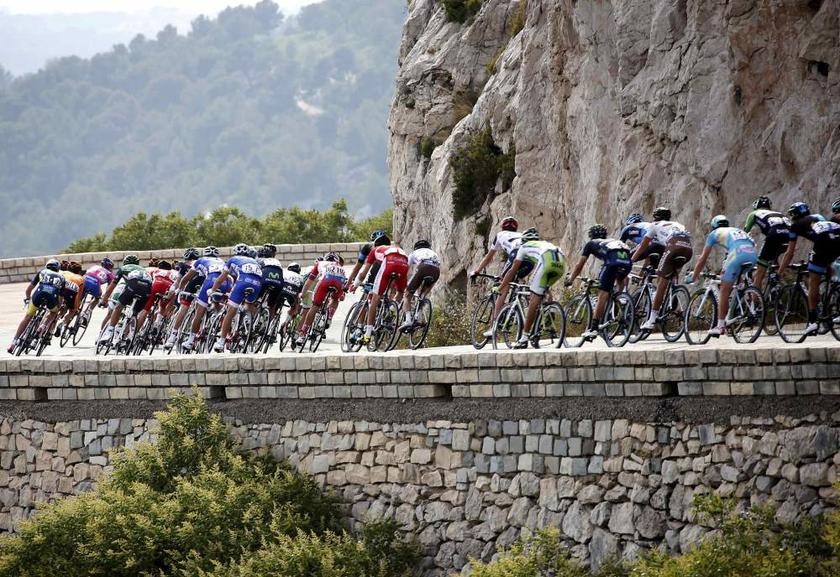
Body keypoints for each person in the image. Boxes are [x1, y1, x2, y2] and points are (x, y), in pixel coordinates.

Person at [686, 215, 758, 337]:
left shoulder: (714, 234)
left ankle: (720, 326)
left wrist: (694, 276)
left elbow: (703, 258)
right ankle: (742, 296)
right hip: (752, 255)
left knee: (724, 288)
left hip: (738, 254)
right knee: (734, 277)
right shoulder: (735, 230)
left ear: (713, 226)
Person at [496, 228, 566, 348]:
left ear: (523, 240)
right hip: (561, 262)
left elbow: (512, 271)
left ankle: (524, 337)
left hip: (546, 260)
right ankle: (547, 315)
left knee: (534, 297)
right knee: (543, 290)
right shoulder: (543, 243)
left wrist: (500, 287)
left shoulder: (523, 247)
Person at [778, 202, 840, 335]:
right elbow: (825, 232)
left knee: (814, 279)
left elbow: (790, 252)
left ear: (794, 216)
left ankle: (812, 322)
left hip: (823, 242)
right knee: (829, 267)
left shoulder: (794, 226)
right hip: (836, 235)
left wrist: (780, 270)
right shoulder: (818, 216)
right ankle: (835, 293)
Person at [468, 216, 534, 337]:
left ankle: (494, 325)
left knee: (503, 286)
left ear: (503, 226)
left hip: (517, 254)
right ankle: (530, 308)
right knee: (518, 282)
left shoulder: (500, 234)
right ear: (516, 228)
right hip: (531, 258)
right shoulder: (519, 235)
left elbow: (489, 256)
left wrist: (477, 271)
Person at [632, 207, 693, 331]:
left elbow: (643, 246)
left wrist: (631, 260)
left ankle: (652, 319)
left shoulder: (654, 225)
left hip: (673, 247)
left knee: (661, 283)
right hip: (688, 249)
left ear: (655, 217)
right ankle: (674, 296)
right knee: (673, 273)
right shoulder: (678, 224)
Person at [566, 225, 632, 339]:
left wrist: (571, 279)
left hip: (612, 262)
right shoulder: (612, 241)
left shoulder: (591, 244)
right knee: (619, 280)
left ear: (591, 236)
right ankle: (619, 299)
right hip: (627, 262)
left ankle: (594, 328)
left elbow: (579, 266)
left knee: (603, 293)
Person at [353, 233, 409, 345]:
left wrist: (355, 284)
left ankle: (367, 335)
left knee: (375, 299)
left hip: (389, 263)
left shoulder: (374, 250)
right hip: (403, 262)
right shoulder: (395, 248)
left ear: (374, 245)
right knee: (401, 292)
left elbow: (363, 273)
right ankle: (392, 311)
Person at [208, 243, 263, 352]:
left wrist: (212, 290)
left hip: (242, 282)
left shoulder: (232, 259)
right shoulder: (255, 261)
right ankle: (249, 325)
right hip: (257, 284)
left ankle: (221, 341)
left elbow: (220, 279)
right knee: (249, 304)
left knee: (231, 311)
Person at [7, 259, 65, 353]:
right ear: (58, 269)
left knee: (27, 317)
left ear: (47, 266)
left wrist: (27, 298)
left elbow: (28, 290)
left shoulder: (42, 272)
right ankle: (42, 326)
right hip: (52, 297)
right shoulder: (62, 277)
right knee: (53, 312)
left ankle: (13, 343)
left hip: (38, 295)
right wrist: (58, 307)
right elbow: (61, 298)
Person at [179, 246, 231, 351]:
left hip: (211, 280)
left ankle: (190, 340)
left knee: (199, 312)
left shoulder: (200, 260)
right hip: (227, 282)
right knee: (220, 304)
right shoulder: (222, 261)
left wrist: (179, 289)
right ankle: (219, 321)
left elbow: (187, 278)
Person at [99, 255, 153, 344]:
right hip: (147, 289)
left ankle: (109, 331)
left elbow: (111, 287)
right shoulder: (144, 269)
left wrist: (104, 300)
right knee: (135, 314)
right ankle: (129, 336)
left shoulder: (123, 268)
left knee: (118, 307)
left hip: (133, 286)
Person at [296, 252, 346, 345]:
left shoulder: (320, 263)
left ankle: (302, 334)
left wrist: (302, 293)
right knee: (335, 299)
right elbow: (344, 286)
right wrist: (341, 295)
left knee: (315, 306)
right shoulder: (340, 266)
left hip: (325, 281)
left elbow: (309, 281)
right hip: (339, 281)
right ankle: (329, 317)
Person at [743, 195, 790, 290]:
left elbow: (744, 233)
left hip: (773, 235)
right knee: (773, 261)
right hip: (788, 235)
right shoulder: (778, 213)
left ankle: (755, 303)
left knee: (759, 272)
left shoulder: (754, 213)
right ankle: (776, 287)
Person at [400, 239, 441, 330]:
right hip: (436, 271)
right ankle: (418, 317)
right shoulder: (433, 253)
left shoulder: (414, 253)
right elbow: (437, 266)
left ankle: (408, 321)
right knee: (422, 295)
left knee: (407, 295)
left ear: (416, 248)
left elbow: (406, 270)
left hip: (423, 267)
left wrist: (403, 283)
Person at [137, 260, 179, 332]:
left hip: (156, 283)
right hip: (168, 286)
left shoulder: (155, 269)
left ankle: (135, 333)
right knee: (162, 307)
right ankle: (157, 324)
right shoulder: (174, 272)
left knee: (145, 309)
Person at [55, 262, 85, 336]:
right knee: (72, 311)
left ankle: (55, 319)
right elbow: (79, 296)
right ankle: (62, 323)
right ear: (79, 271)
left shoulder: (64, 272)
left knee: (60, 307)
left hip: (61, 291)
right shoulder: (81, 278)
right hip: (71, 294)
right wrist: (76, 308)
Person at [257, 246, 285, 321]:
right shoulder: (277, 261)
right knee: (272, 305)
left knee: (253, 301)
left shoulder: (258, 260)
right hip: (278, 283)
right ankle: (269, 324)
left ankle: (250, 319)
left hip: (265, 281)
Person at [279, 262, 305, 331]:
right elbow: (300, 292)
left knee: (274, 304)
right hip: (292, 294)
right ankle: (286, 323)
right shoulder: (301, 278)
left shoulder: (284, 272)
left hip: (281, 291)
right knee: (295, 306)